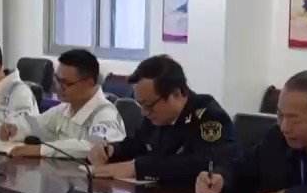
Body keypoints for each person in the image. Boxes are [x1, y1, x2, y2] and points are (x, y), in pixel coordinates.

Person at [87, 55, 234, 184]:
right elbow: (140, 144)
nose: (144, 112)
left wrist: (138, 168)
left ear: (176, 94)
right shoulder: (156, 115)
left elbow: (205, 162)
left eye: (149, 105)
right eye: (141, 104)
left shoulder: (208, 115)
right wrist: (112, 150)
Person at [2, 49, 125, 159]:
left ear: (89, 82)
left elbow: (94, 147)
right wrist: (15, 129)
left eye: (65, 83)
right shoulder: (65, 108)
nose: (58, 88)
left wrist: (41, 150)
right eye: (57, 80)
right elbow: (36, 125)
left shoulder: (106, 114)